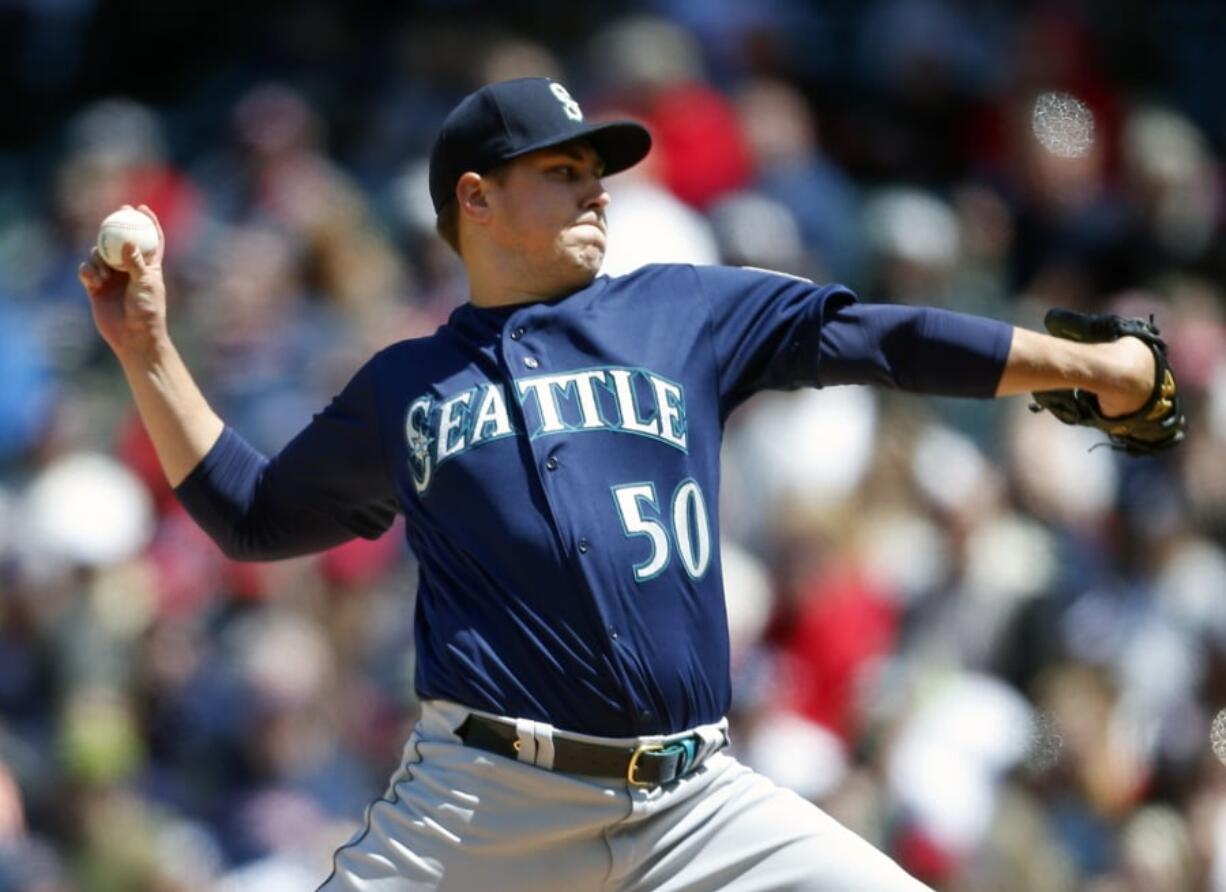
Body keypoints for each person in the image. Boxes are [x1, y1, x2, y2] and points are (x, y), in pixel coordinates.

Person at [78, 77, 1179, 891]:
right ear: (475, 197)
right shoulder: (406, 382)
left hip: (698, 803)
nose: (594, 187)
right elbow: (254, 515)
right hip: (487, 807)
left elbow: (877, 337)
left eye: (597, 169)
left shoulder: (680, 311)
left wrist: (1081, 365)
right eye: (562, 171)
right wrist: (147, 351)